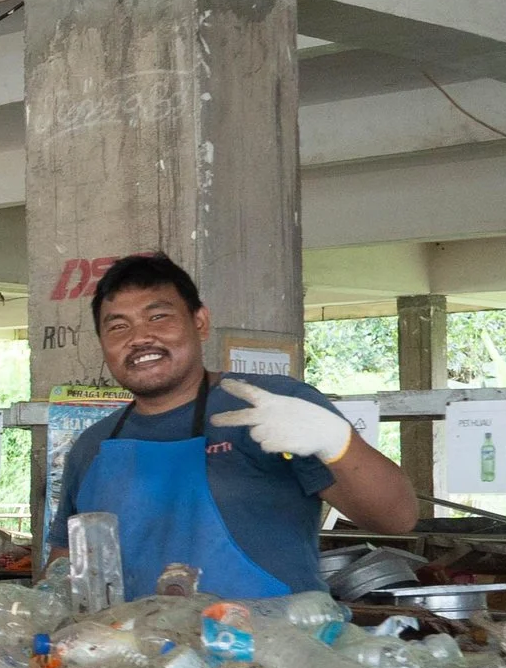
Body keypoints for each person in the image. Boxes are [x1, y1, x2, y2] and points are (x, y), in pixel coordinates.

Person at [48, 252, 418, 599]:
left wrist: (336, 443)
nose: (140, 337)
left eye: (158, 317)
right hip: (137, 645)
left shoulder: (270, 407)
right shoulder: (93, 446)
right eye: (118, 326)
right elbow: (66, 564)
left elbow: (396, 519)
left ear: (200, 322)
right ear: (103, 345)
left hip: (271, 642)